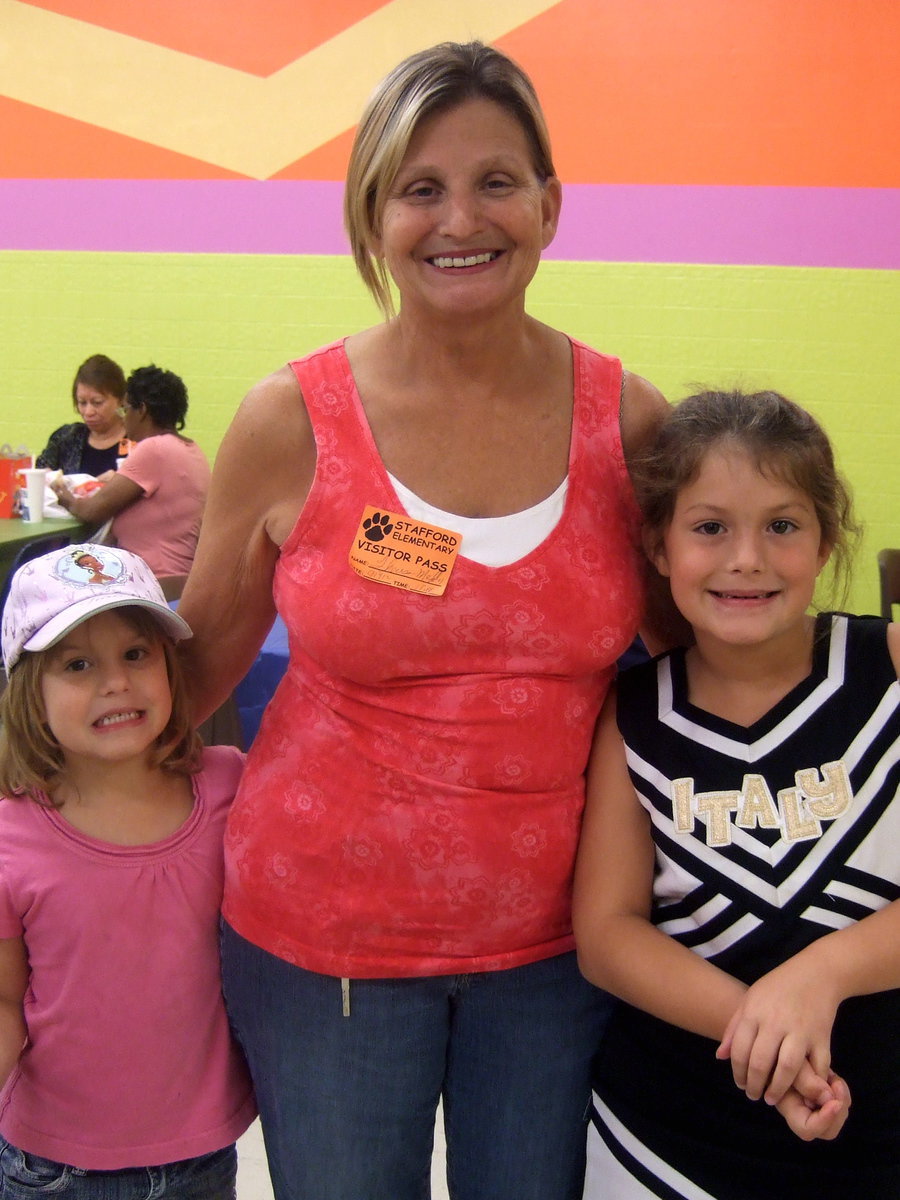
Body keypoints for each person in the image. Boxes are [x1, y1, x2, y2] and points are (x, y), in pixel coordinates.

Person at [177, 40, 670, 1200]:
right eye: (420, 188)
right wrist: (44, 792)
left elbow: (703, 662)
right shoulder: (288, 420)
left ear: (550, 204)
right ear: (372, 213)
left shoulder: (629, 424)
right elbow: (192, 670)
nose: (462, 218)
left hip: (559, 953)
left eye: (497, 181)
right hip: (322, 948)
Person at [573, 389, 900, 1199]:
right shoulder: (633, 710)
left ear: (826, 541)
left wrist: (820, 973)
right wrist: (759, 1030)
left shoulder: (888, 664)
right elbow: (608, 933)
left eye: (782, 526)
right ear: (658, 544)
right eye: (710, 527)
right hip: (669, 1139)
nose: (746, 558)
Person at [0, 543, 255, 1197]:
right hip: (56, 1167)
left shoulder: (232, 786)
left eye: (136, 655)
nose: (115, 682)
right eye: (78, 664)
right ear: (29, 691)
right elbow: (5, 1000)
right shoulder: (10, 835)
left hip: (203, 1153)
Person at [51, 365, 211, 576]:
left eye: (126, 410)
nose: (124, 419)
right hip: (178, 580)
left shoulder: (154, 449)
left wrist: (62, 495)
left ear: (142, 410)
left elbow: (91, 511)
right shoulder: (191, 449)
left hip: (153, 580)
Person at [36, 353, 131, 477]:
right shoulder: (66, 438)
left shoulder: (139, 440)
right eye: (82, 403)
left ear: (120, 400)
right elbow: (40, 470)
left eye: (97, 403)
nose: (88, 412)